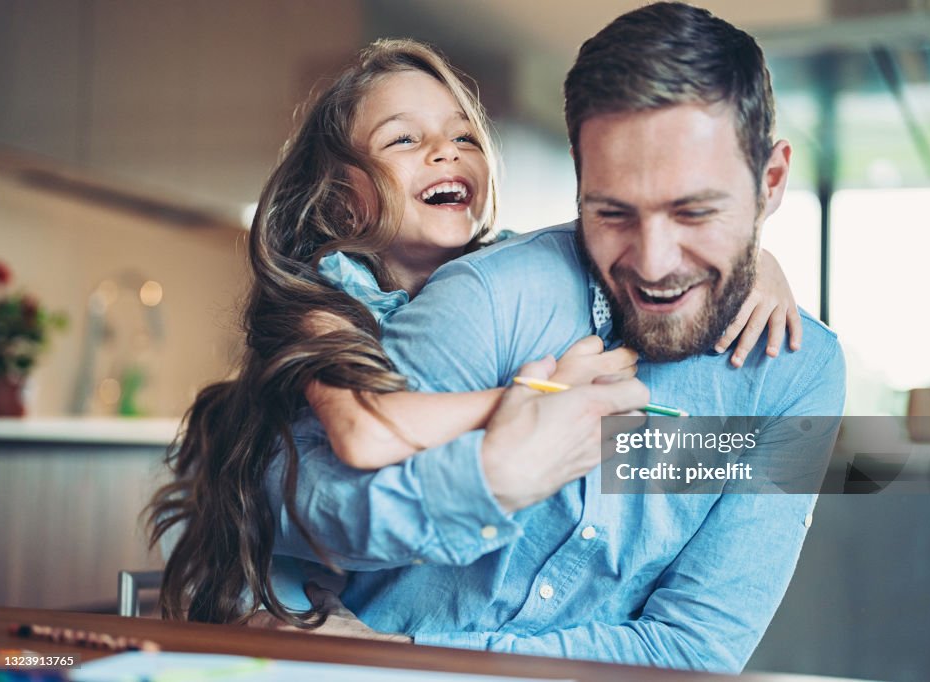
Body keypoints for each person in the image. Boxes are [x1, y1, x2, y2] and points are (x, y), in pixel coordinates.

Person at [261, 2, 845, 673]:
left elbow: (694, 649)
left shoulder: (799, 376)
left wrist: (409, 659)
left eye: (696, 211)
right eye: (613, 212)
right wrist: (497, 472)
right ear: (580, 177)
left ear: (769, 183)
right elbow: (291, 505)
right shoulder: (490, 292)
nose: (654, 264)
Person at [148, 34, 799, 631]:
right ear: (342, 197)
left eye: (463, 137)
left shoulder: (504, 277)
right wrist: (532, 396)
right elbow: (365, 430)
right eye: (403, 140)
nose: (443, 151)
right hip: (274, 596)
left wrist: (754, 263)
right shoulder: (323, 295)